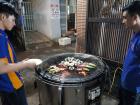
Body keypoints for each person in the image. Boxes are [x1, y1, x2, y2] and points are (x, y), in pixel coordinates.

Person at [0, 1, 41, 105]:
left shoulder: (3, 34)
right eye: (13, 20)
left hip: (13, 84)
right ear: (3, 16)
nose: (14, 23)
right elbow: (1, 68)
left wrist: (20, 64)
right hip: (11, 88)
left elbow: (6, 60)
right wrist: (25, 64)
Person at [119, 1, 140, 105]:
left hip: (133, 92)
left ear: (135, 18)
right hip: (124, 85)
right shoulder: (135, 32)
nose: (123, 21)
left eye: (125, 17)